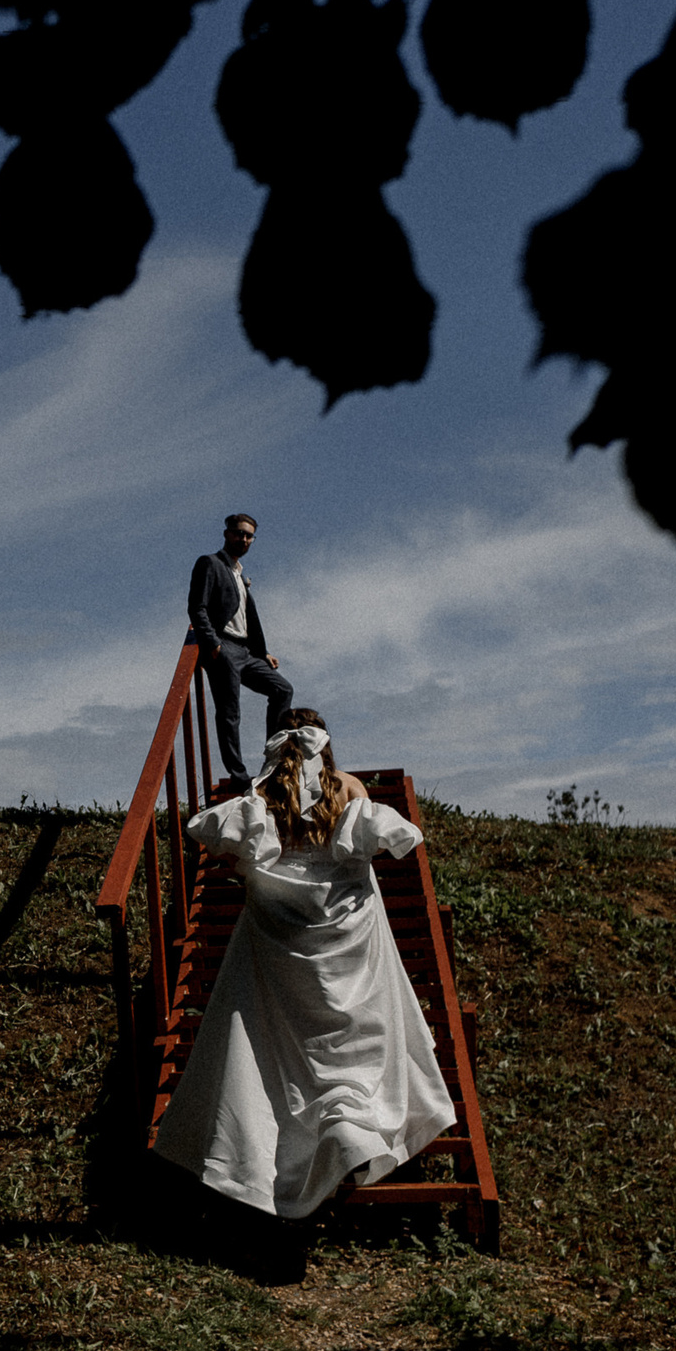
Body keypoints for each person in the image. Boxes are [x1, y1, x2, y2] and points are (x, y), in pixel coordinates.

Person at [152, 709, 455, 1232]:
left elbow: (232, 858)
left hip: (279, 935)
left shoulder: (261, 798)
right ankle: (350, 1127)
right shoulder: (347, 788)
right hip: (348, 936)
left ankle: (272, 1156)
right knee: (354, 1038)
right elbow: (373, 847)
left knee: (277, 1052)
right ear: (326, 745)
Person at [186, 513, 292, 790]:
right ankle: (239, 774)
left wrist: (262, 652)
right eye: (238, 533)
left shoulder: (240, 575)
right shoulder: (210, 563)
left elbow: (247, 618)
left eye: (248, 536)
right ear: (227, 534)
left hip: (246, 651)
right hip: (223, 647)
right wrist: (213, 645)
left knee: (282, 690)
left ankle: (274, 760)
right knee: (230, 712)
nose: (243, 539)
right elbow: (197, 607)